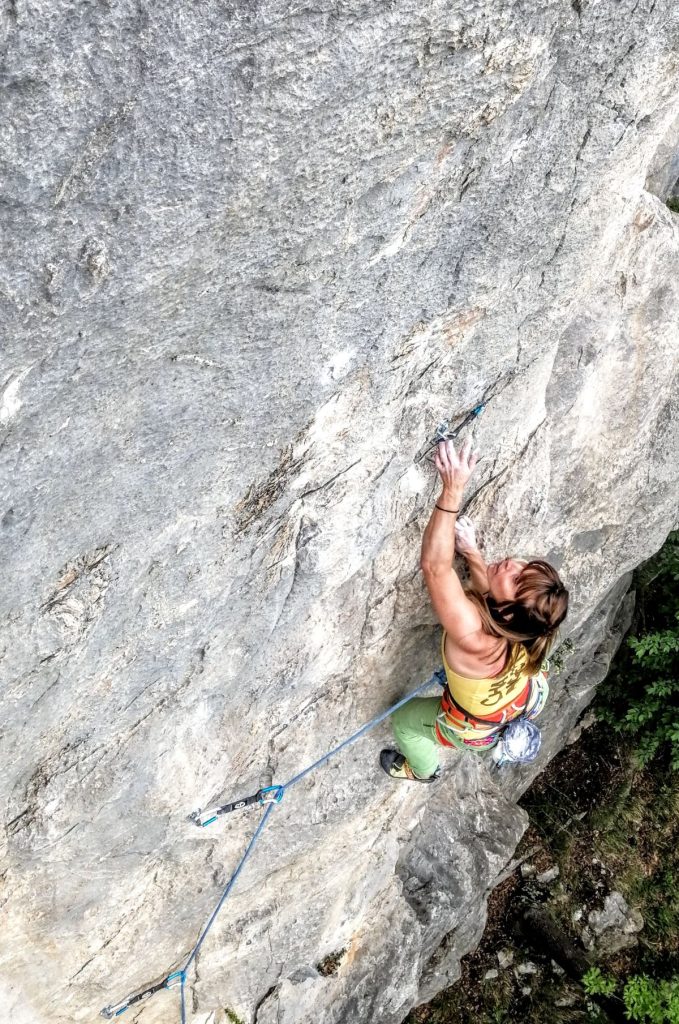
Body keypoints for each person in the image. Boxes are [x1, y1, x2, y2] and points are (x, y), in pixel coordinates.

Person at [380, 436, 569, 781]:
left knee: (403, 721)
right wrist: (472, 552)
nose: (512, 564)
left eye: (517, 579)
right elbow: (493, 599)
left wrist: (452, 490)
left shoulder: (475, 639)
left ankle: (423, 771)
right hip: (522, 697)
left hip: (478, 727)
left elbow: (436, 568)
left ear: (510, 614)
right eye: (524, 568)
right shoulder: (529, 628)